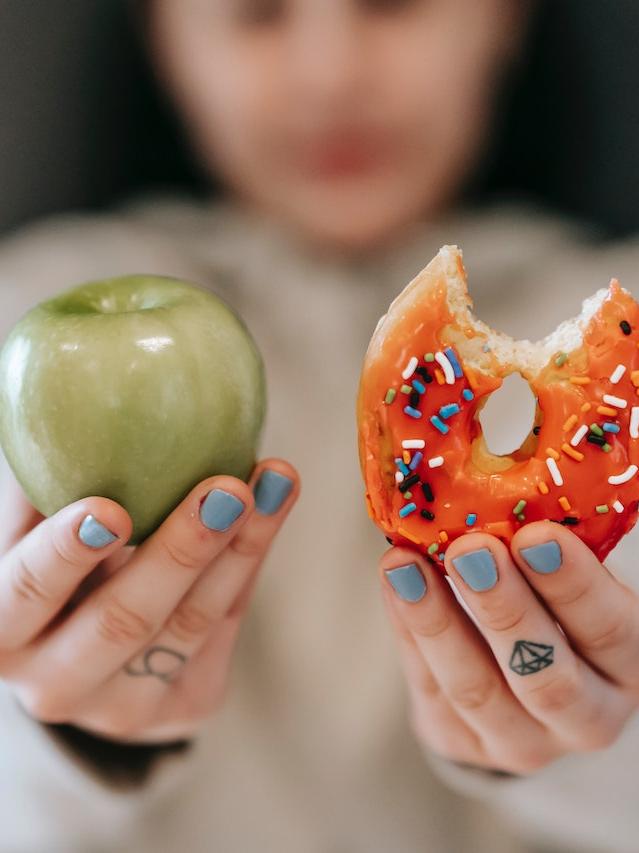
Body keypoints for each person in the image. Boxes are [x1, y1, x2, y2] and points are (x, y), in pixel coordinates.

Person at [1, 1, 639, 851]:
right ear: (163, 39)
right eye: (254, 15)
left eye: (393, 3)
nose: (330, 74)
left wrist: (588, 744)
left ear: (504, 17)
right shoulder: (22, 313)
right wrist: (63, 732)